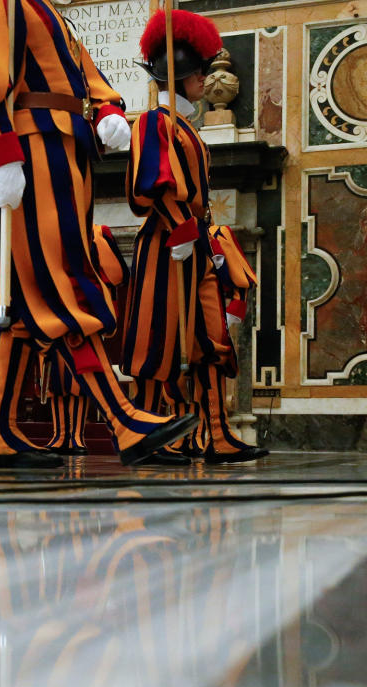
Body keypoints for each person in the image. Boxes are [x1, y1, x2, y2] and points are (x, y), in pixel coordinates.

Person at [0, 0, 199, 467]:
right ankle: (123, 421)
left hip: (64, 148)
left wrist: (105, 108)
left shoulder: (47, 10)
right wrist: (0, 148)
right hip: (33, 145)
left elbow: (79, 68)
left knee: (21, 299)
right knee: (67, 281)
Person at [121, 9, 267, 465]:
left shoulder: (187, 128)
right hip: (167, 245)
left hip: (193, 243)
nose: (204, 79)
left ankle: (215, 433)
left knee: (207, 337)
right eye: (198, 72)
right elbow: (153, 181)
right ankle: (148, 431)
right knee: (158, 339)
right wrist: (182, 231)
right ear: (180, 77)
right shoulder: (152, 123)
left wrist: (196, 237)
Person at [41, 224, 130, 457]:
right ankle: (60, 434)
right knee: (56, 381)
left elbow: (117, 274)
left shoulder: (98, 232)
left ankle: (76, 435)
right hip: (57, 309)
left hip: (85, 308)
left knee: (78, 380)